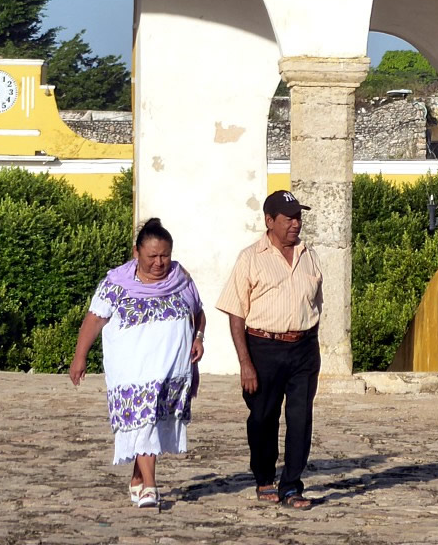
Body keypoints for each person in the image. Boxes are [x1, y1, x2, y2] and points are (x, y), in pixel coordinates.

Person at [69, 218, 206, 508]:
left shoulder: (181, 279)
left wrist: (199, 337)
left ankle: (137, 478)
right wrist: (79, 356)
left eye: (165, 255)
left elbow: (198, 311)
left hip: (171, 369)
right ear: (136, 253)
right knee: (144, 421)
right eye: (152, 257)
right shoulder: (116, 284)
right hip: (133, 371)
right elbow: (94, 319)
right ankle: (151, 487)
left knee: (153, 423)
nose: (159, 262)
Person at [215, 190, 323, 511]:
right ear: (269, 221)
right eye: (288, 218)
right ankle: (264, 477)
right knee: (263, 417)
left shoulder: (310, 255)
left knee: (301, 419)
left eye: (298, 217)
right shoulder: (250, 258)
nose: (295, 224)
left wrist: (311, 342)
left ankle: (291, 486)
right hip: (263, 347)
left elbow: (316, 303)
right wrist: (245, 363)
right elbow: (236, 311)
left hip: (303, 348)